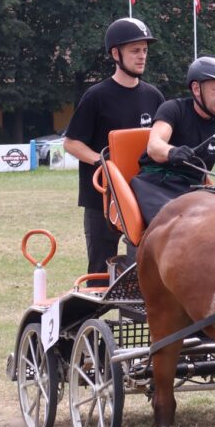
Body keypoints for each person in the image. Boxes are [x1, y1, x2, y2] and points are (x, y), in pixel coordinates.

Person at [63, 17, 164, 281]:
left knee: (146, 272)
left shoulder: (154, 96)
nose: (142, 56)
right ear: (116, 54)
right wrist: (101, 162)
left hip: (143, 197)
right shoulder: (96, 96)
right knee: (99, 273)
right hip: (102, 200)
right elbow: (71, 143)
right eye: (135, 50)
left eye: (145, 50)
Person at [131, 57, 215, 227]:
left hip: (194, 191)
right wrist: (172, 152)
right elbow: (154, 146)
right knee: (176, 227)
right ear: (196, 88)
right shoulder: (173, 109)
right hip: (156, 184)